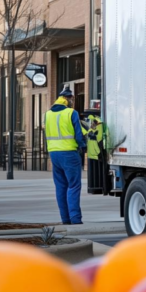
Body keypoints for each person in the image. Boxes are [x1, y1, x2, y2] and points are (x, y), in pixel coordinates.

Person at [44, 87, 87, 225]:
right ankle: (75, 219)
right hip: (69, 154)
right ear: (68, 99)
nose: (73, 102)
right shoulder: (71, 113)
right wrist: (84, 147)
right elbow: (79, 135)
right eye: (72, 99)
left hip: (54, 154)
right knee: (73, 186)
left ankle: (65, 219)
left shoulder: (48, 114)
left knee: (61, 187)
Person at [83, 101, 107, 195]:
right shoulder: (97, 125)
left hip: (95, 153)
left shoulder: (97, 125)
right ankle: (98, 187)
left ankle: (97, 187)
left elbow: (97, 137)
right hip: (95, 153)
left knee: (97, 173)